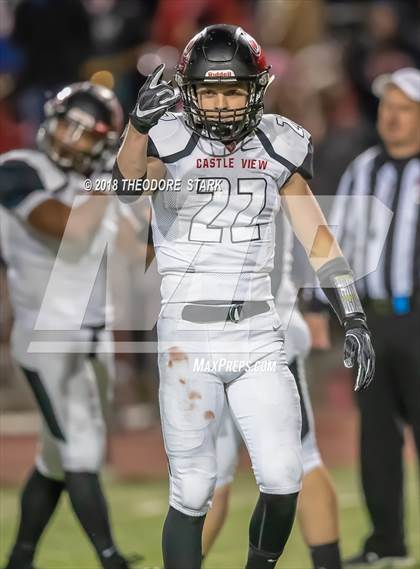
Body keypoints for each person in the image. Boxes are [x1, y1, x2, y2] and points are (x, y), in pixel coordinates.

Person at [114, 24, 375, 569]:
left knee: (283, 480)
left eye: (232, 90)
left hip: (259, 333)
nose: (221, 104)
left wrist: (351, 314)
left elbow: (318, 237)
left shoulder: (281, 139)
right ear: (189, 91)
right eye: (209, 91)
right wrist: (136, 129)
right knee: (192, 489)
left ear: (256, 88)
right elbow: (128, 185)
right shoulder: (168, 135)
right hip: (188, 336)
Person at [0, 82, 140, 569]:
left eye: (86, 133)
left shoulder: (100, 180)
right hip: (44, 337)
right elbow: (70, 231)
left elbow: (136, 252)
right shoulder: (18, 169)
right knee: (79, 447)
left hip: (94, 336)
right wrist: (109, 183)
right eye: (67, 125)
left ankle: (19, 558)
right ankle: (110, 558)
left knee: (59, 457)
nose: (69, 139)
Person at [316, 67, 419, 569]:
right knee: (376, 439)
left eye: (405, 108)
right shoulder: (362, 169)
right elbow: (334, 241)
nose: (393, 118)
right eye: (388, 107)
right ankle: (387, 542)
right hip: (370, 323)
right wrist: (320, 305)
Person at [202, 214, 342, 569]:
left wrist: (313, 305)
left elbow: (312, 233)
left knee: (298, 459)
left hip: (259, 331)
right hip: (216, 332)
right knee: (206, 475)